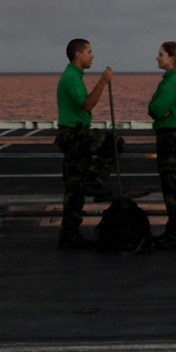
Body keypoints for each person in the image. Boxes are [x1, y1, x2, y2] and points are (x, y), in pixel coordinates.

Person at [55, 38, 116, 250]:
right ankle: (95, 181)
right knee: (114, 143)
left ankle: (69, 234)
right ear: (78, 54)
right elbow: (87, 104)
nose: (93, 55)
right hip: (74, 135)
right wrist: (103, 81)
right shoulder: (71, 77)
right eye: (89, 51)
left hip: (74, 134)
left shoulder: (74, 76)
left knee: (74, 187)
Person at [148, 41, 176, 250]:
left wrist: (159, 110)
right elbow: (153, 107)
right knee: (172, 188)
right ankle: (175, 230)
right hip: (170, 137)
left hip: (171, 139)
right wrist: (157, 109)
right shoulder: (170, 80)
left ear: (172, 57)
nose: (158, 58)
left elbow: (156, 108)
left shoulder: (172, 82)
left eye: (161, 54)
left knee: (173, 188)